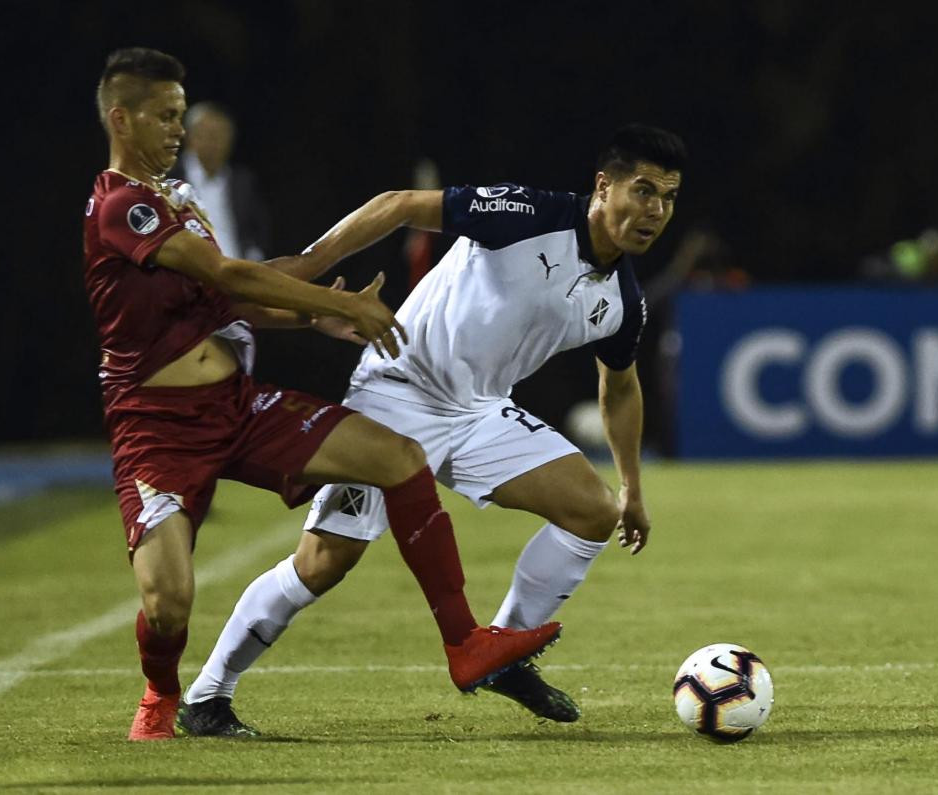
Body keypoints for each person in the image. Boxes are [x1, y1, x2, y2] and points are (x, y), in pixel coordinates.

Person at [83, 47, 561, 741]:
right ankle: (161, 693)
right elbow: (227, 272)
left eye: (181, 115)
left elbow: (225, 295)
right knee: (168, 605)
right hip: (157, 431)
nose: (178, 130)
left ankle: (466, 644)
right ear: (121, 119)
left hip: (238, 406)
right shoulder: (121, 207)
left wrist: (316, 314)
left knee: (398, 457)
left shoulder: (172, 202)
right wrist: (327, 305)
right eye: (164, 116)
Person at [179, 125, 686, 734]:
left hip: (478, 412)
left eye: (668, 197)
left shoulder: (624, 300)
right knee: (322, 563)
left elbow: (621, 386)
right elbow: (397, 206)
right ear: (603, 187)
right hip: (396, 390)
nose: (655, 210)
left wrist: (631, 486)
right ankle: (208, 696)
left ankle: (505, 650)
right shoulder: (529, 213)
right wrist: (313, 263)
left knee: (593, 511)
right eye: (643, 189)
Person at [168, 102, 271, 261]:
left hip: (240, 272)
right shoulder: (169, 178)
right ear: (189, 137)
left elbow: (258, 231)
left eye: (221, 135)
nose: (214, 143)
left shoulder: (242, 182)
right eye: (208, 134)